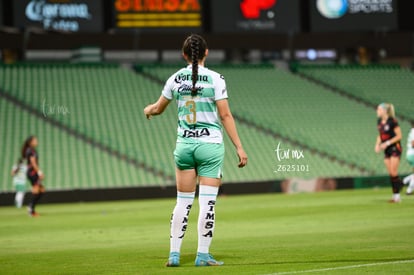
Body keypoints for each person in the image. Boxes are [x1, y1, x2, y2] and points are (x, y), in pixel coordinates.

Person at [144, 34, 248, 267]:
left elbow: (159, 108)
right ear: (206, 53)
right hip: (210, 147)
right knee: (207, 203)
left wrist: (148, 110)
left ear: (183, 55)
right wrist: (239, 147)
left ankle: (174, 254)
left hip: (184, 147)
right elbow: (225, 115)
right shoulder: (215, 79)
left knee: (183, 202)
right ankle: (202, 255)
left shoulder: (174, 79)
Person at [375, 103, 403, 203]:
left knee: (394, 171)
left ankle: (397, 196)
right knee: (391, 173)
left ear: (384, 111)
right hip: (387, 150)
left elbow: (399, 136)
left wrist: (387, 143)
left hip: (395, 148)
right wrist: (377, 145)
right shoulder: (379, 122)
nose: (377, 111)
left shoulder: (393, 122)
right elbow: (380, 135)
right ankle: (399, 186)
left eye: (378, 109)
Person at [22, 136, 45, 216]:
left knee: (41, 190)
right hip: (32, 172)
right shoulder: (31, 151)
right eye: (35, 140)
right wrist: (39, 172)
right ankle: (31, 209)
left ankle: (31, 207)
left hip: (32, 172)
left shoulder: (31, 150)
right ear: (30, 142)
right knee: (36, 190)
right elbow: (33, 163)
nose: (36, 141)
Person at [403, 122, 414, 194]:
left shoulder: (412, 130)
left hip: (409, 154)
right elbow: (413, 143)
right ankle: (409, 190)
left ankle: (404, 181)